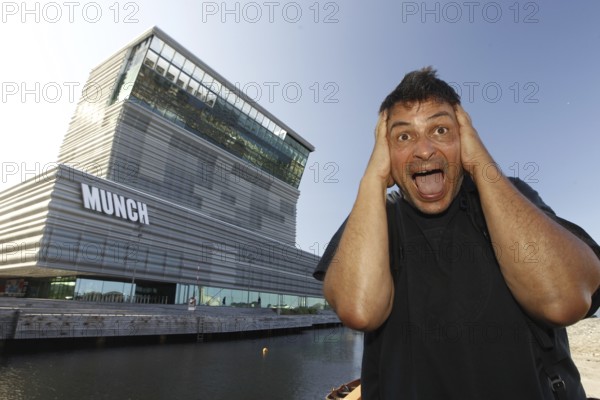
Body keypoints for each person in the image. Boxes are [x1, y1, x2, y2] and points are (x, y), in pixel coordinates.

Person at [314, 67, 600, 399]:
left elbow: (563, 299)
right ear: (385, 151)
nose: (424, 150)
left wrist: (479, 162)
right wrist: (373, 178)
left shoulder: (508, 196)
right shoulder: (376, 217)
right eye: (403, 137)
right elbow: (359, 308)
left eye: (440, 130)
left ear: (463, 137)